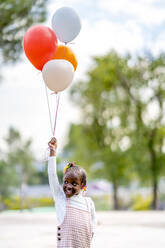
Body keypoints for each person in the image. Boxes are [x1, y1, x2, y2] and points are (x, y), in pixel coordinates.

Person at [47, 137, 97, 248]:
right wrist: (53, 152)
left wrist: (91, 232)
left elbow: (93, 222)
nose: (68, 186)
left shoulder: (89, 204)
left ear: (82, 185)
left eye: (74, 184)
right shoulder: (60, 198)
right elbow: (52, 175)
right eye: (66, 182)